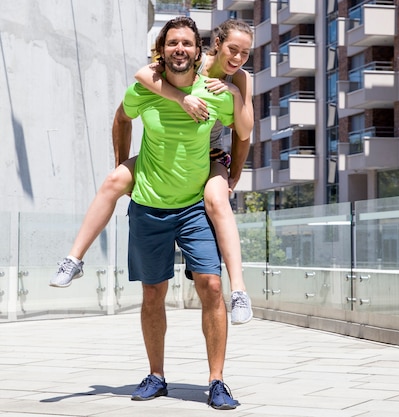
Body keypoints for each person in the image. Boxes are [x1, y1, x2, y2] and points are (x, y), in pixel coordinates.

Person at [50, 19, 254, 326]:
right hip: (164, 151)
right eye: (232, 49)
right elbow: (142, 76)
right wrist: (181, 98)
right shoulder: (191, 61)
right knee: (115, 179)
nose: (237, 58)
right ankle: (74, 259)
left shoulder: (238, 81)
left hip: (210, 152)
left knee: (216, 199)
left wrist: (234, 170)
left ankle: (238, 289)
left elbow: (244, 133)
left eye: (245, 53)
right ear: (215, 45)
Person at [111, 16, 239, 408]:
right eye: (172, 44)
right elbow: (121, 119)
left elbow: (245, 126)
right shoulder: (144, 89)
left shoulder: (215, 92)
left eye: (187, 43)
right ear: (162, 51)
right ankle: (156, 375)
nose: (179, 49)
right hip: (150, 206)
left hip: (195, 206)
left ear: (199, 52)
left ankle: (217, 381)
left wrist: (232, 175)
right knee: (153, 293)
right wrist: (122, 166)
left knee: (213, 287)